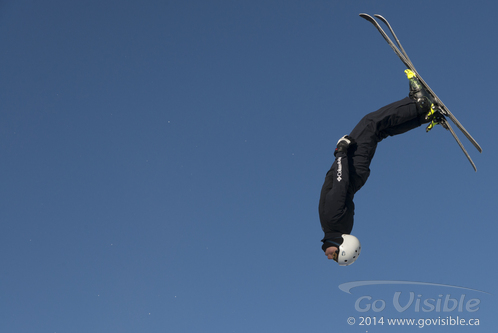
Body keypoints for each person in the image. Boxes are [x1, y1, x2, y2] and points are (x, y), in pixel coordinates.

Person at [319, 70, 438, 266]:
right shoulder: (332, 221)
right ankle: (419, 103)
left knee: (381, 131)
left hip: (356, 173)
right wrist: (340, 152)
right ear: (342, 244)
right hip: (352, 166)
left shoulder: (339, 228)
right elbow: (340, 183)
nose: (328, 256)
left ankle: (424, 115)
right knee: (371, 123)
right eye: (335, 255)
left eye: (333, 257)